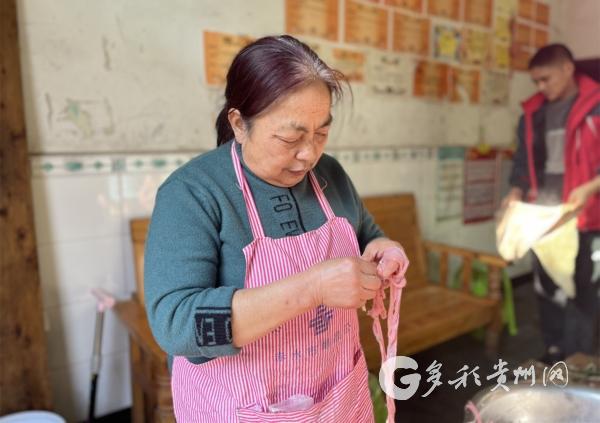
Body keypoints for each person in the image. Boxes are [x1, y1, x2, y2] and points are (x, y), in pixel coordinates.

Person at [144, 35, 405, 421]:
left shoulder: (330, 174)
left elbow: (365, 230)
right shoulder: (192, 194)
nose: (310, 154)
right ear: (239, 123)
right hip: (239, 406)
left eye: (321, 133)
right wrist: (312, 287)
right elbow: (176, 324)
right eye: (291, 137)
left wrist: (382, 247)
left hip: (337, 392)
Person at [502, 43, 600, 364]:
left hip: (585, 216)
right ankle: (554, 349)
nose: (541, 88)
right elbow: (522, 163)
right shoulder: (533, 113)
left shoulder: (596, 107)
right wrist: (515, 193)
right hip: (543, 215)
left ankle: (579, 357)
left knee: (582, 289)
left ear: (568, 69)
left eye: (546, 79)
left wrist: (590, 188)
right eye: (536, 82)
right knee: (546, 288)